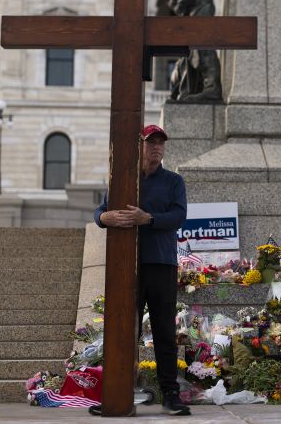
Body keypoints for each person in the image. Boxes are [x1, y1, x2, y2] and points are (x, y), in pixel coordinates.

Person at [94, 124, 190, 416]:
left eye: (160, 143)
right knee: (124, 332)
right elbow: (100, 212)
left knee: (163, 332)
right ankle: (115, 394)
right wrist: (105, 217)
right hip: (127, 268)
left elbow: (179, 216)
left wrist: (147, 218)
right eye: (151, 143)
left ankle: (171, 395)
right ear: (140, 147)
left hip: (161, 264)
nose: (157, 148)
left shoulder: (174, 181)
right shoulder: (124, 179)